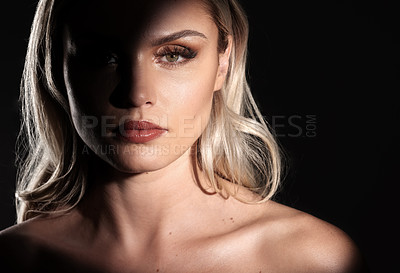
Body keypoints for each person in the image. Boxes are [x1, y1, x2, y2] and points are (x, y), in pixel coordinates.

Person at [0, 0, 368, 272]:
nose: (136, 93)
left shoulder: (312, 260)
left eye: (175, 54)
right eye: (101, 56)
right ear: (56, 68)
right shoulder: (17, 256)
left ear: (224, 62)